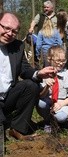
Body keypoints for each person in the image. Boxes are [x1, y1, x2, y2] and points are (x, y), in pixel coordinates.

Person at [0, 12, 58, 140]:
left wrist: (38, 73)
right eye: (6, 28)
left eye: (14, 31)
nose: (10, 34)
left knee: (31, 85)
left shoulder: (17, 46)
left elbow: (24, 69)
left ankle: (18, 128)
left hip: (7, 96)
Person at [37, 45, 68, 132]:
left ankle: (59, 122)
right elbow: (41, 95)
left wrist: (61, 104)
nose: (61, 63)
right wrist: (47, 86)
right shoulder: (44, 74)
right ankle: (47, 121)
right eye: (58, 60)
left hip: (63, 102)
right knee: (40, 103)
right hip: (49, 101)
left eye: (63, 61)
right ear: (49, 59)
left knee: (61, 117)